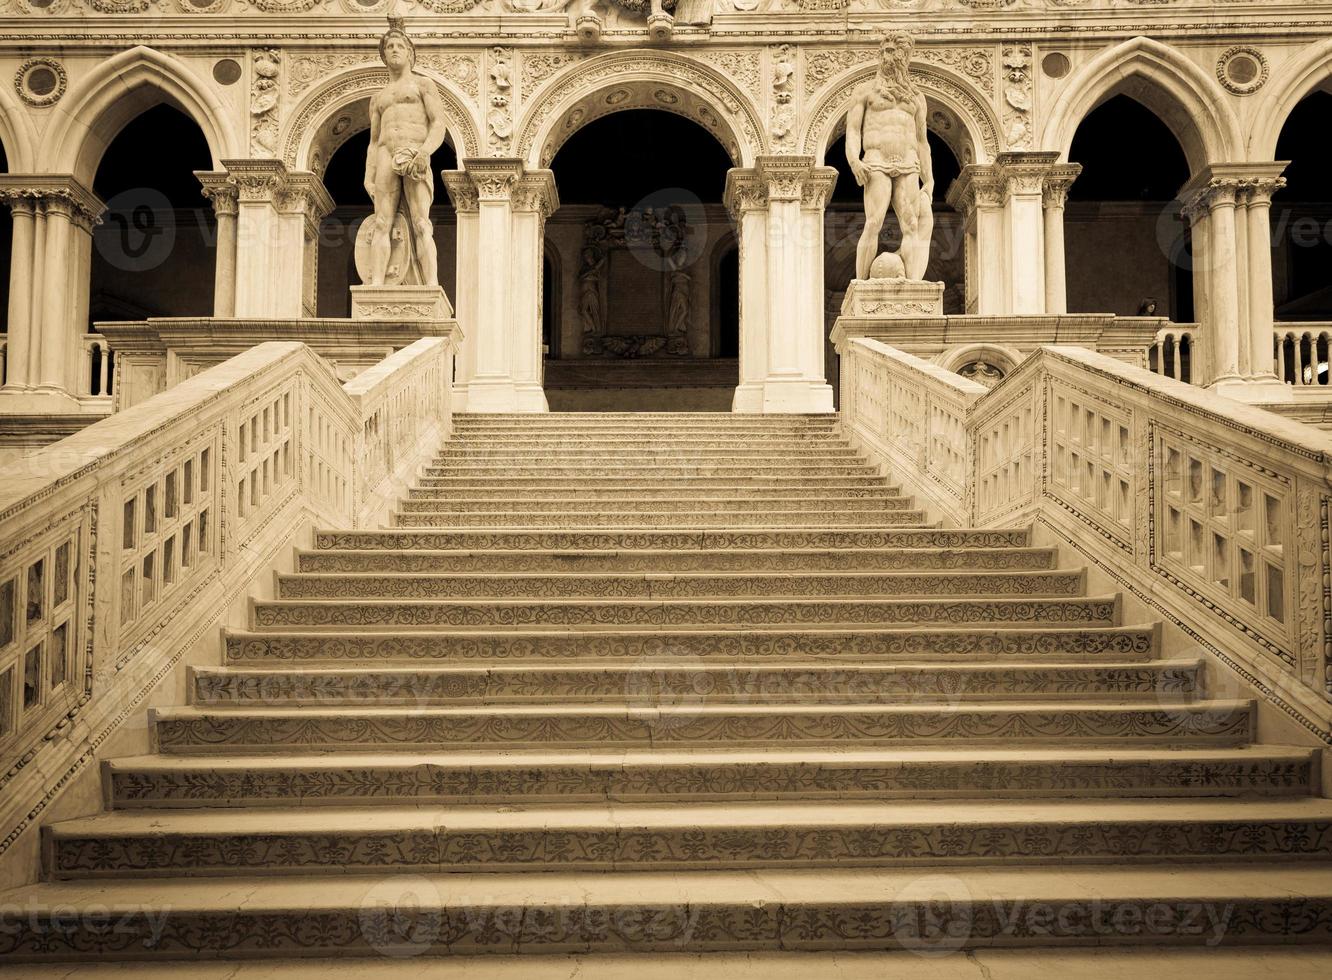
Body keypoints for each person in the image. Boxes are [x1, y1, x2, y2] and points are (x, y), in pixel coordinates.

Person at [364, 18, 448, 287]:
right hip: (386, 154)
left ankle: (431, 283)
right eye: (389, 46)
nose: (394, 50)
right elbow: (374, 141)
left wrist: (424, 152)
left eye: (400, 45)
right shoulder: (378, 98)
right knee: (381, 223)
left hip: (414, 152)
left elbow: (438, 123)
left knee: (421, 223)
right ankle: (376, 283)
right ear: (383, 55)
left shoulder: (423, 85)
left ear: (410, 54)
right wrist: (369, 175)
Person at [846, 32, 934, 282]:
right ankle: (860, 284)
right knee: (874, 223)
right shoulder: (864, 91)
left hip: (908, 164)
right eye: (884, 51)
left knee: (912, 226)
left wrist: (929, 180)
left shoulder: (917, 97)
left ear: (905, 57)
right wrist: (854, 160)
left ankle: (914, 285)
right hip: (876, 163)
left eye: (894, 52)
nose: (889, 57)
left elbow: (921, 141)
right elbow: (853, 130)